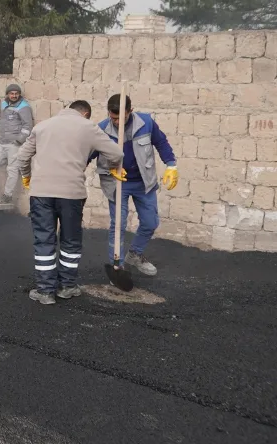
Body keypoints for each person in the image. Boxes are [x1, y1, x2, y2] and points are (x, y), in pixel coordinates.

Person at [17, 100, 125, 305]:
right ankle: (67, 286)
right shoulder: (89, 127)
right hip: (72, 194)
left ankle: (45, 291)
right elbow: (117, 153)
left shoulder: (42, 126)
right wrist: (113, 167)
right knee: (70, 241)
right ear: (85, 114)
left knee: (44, 240)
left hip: (41, 194)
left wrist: (26, 176)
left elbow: (22, 156)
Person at [93, 94, 179, 276]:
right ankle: (116, 266)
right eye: (112, 117)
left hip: (143, 182)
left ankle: (135, 254)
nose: (115, 122)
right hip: (117, 183)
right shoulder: (102, 129)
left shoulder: (146, 122)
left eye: (119, 117)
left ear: (130, 111)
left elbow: (161, 142)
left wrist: (171, 164)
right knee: (118, 225)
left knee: (150, 222)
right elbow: (88, 153)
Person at [0, 84, 34, 204]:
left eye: (16, 93)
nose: (14, 95)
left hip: (14, 144)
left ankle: (7, 195)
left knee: (12, 170)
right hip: (2, 142)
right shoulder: (3, 104)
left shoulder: (24, 107)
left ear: (19, 94)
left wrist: (19, 140)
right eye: (12, 93)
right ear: (7, 94)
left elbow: (28, 126)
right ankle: (10, 161)